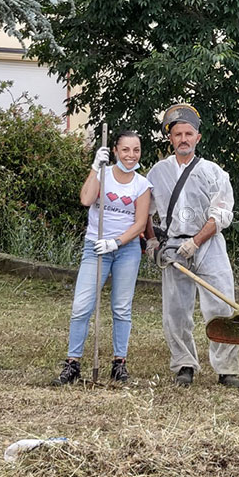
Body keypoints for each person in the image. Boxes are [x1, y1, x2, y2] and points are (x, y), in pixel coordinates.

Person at [145, 103, 239, 389]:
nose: (183, 139)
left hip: (209, 244)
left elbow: (221, 214)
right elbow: (144, 211)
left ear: (198, 137)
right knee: (176, 311)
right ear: (170, 138)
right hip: (173, 248)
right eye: (178, 134)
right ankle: (184, 365)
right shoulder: (157, 173)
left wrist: (196, 242)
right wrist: (152, 241)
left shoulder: (214, 173)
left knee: (221, 305)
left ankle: (227, 369)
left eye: (189, 134)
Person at [54, 130, 151, 385]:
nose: (131, 155)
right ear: (115, 151)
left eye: (136, 150)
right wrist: (95, 167)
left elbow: (140, 224)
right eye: (125, 149)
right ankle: (73, 363)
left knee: (121, 307)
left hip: (126, 250)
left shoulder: (141, 184)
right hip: (95, 248)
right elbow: (86, 199)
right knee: (82, 306)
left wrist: (116, 242)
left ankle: (119, 364)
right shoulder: (103, 175)